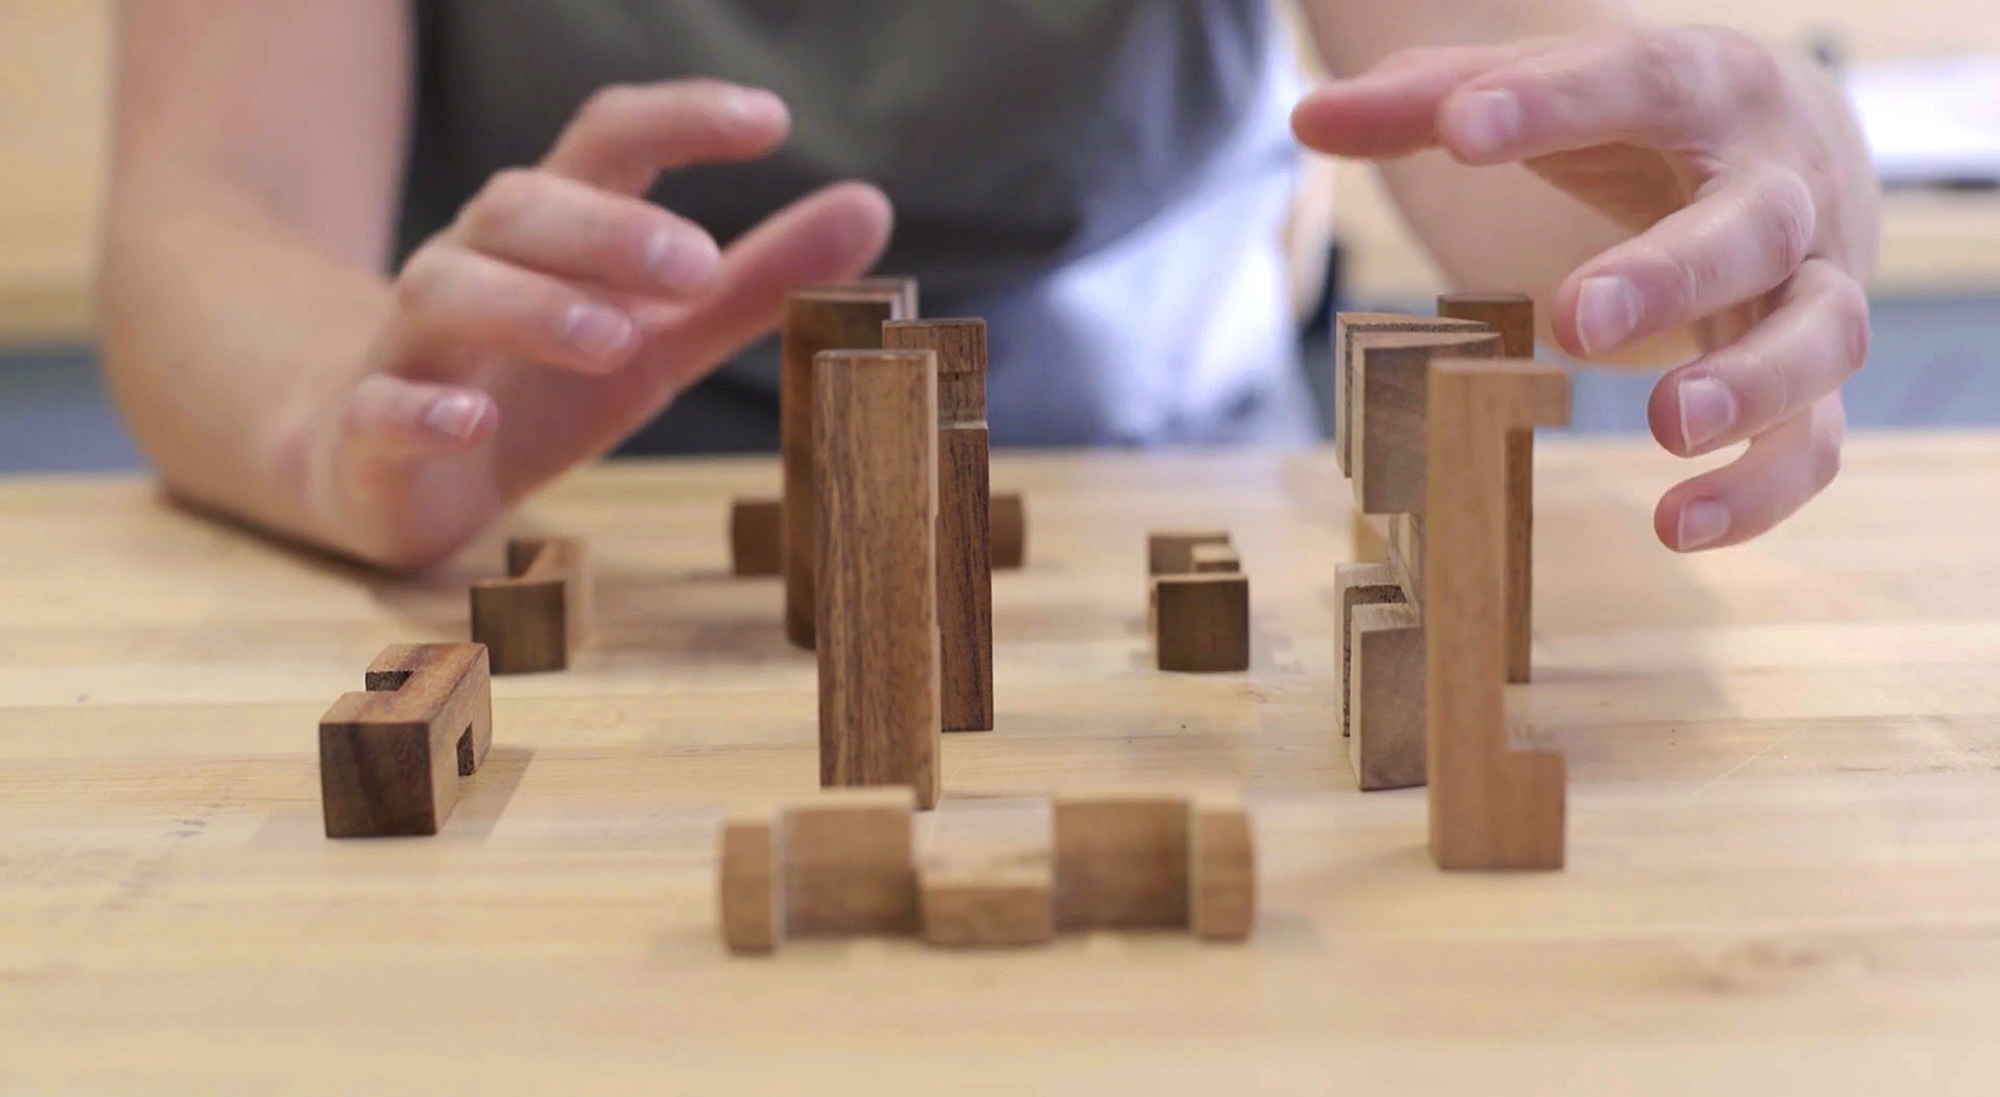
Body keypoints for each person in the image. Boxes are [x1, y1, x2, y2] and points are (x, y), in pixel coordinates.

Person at [98, 1, 1877, 571]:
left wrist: (1748, 206)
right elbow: (211, 212)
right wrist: (344, 420)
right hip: (571, 528)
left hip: (1190, 502)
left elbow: (1530, 138)